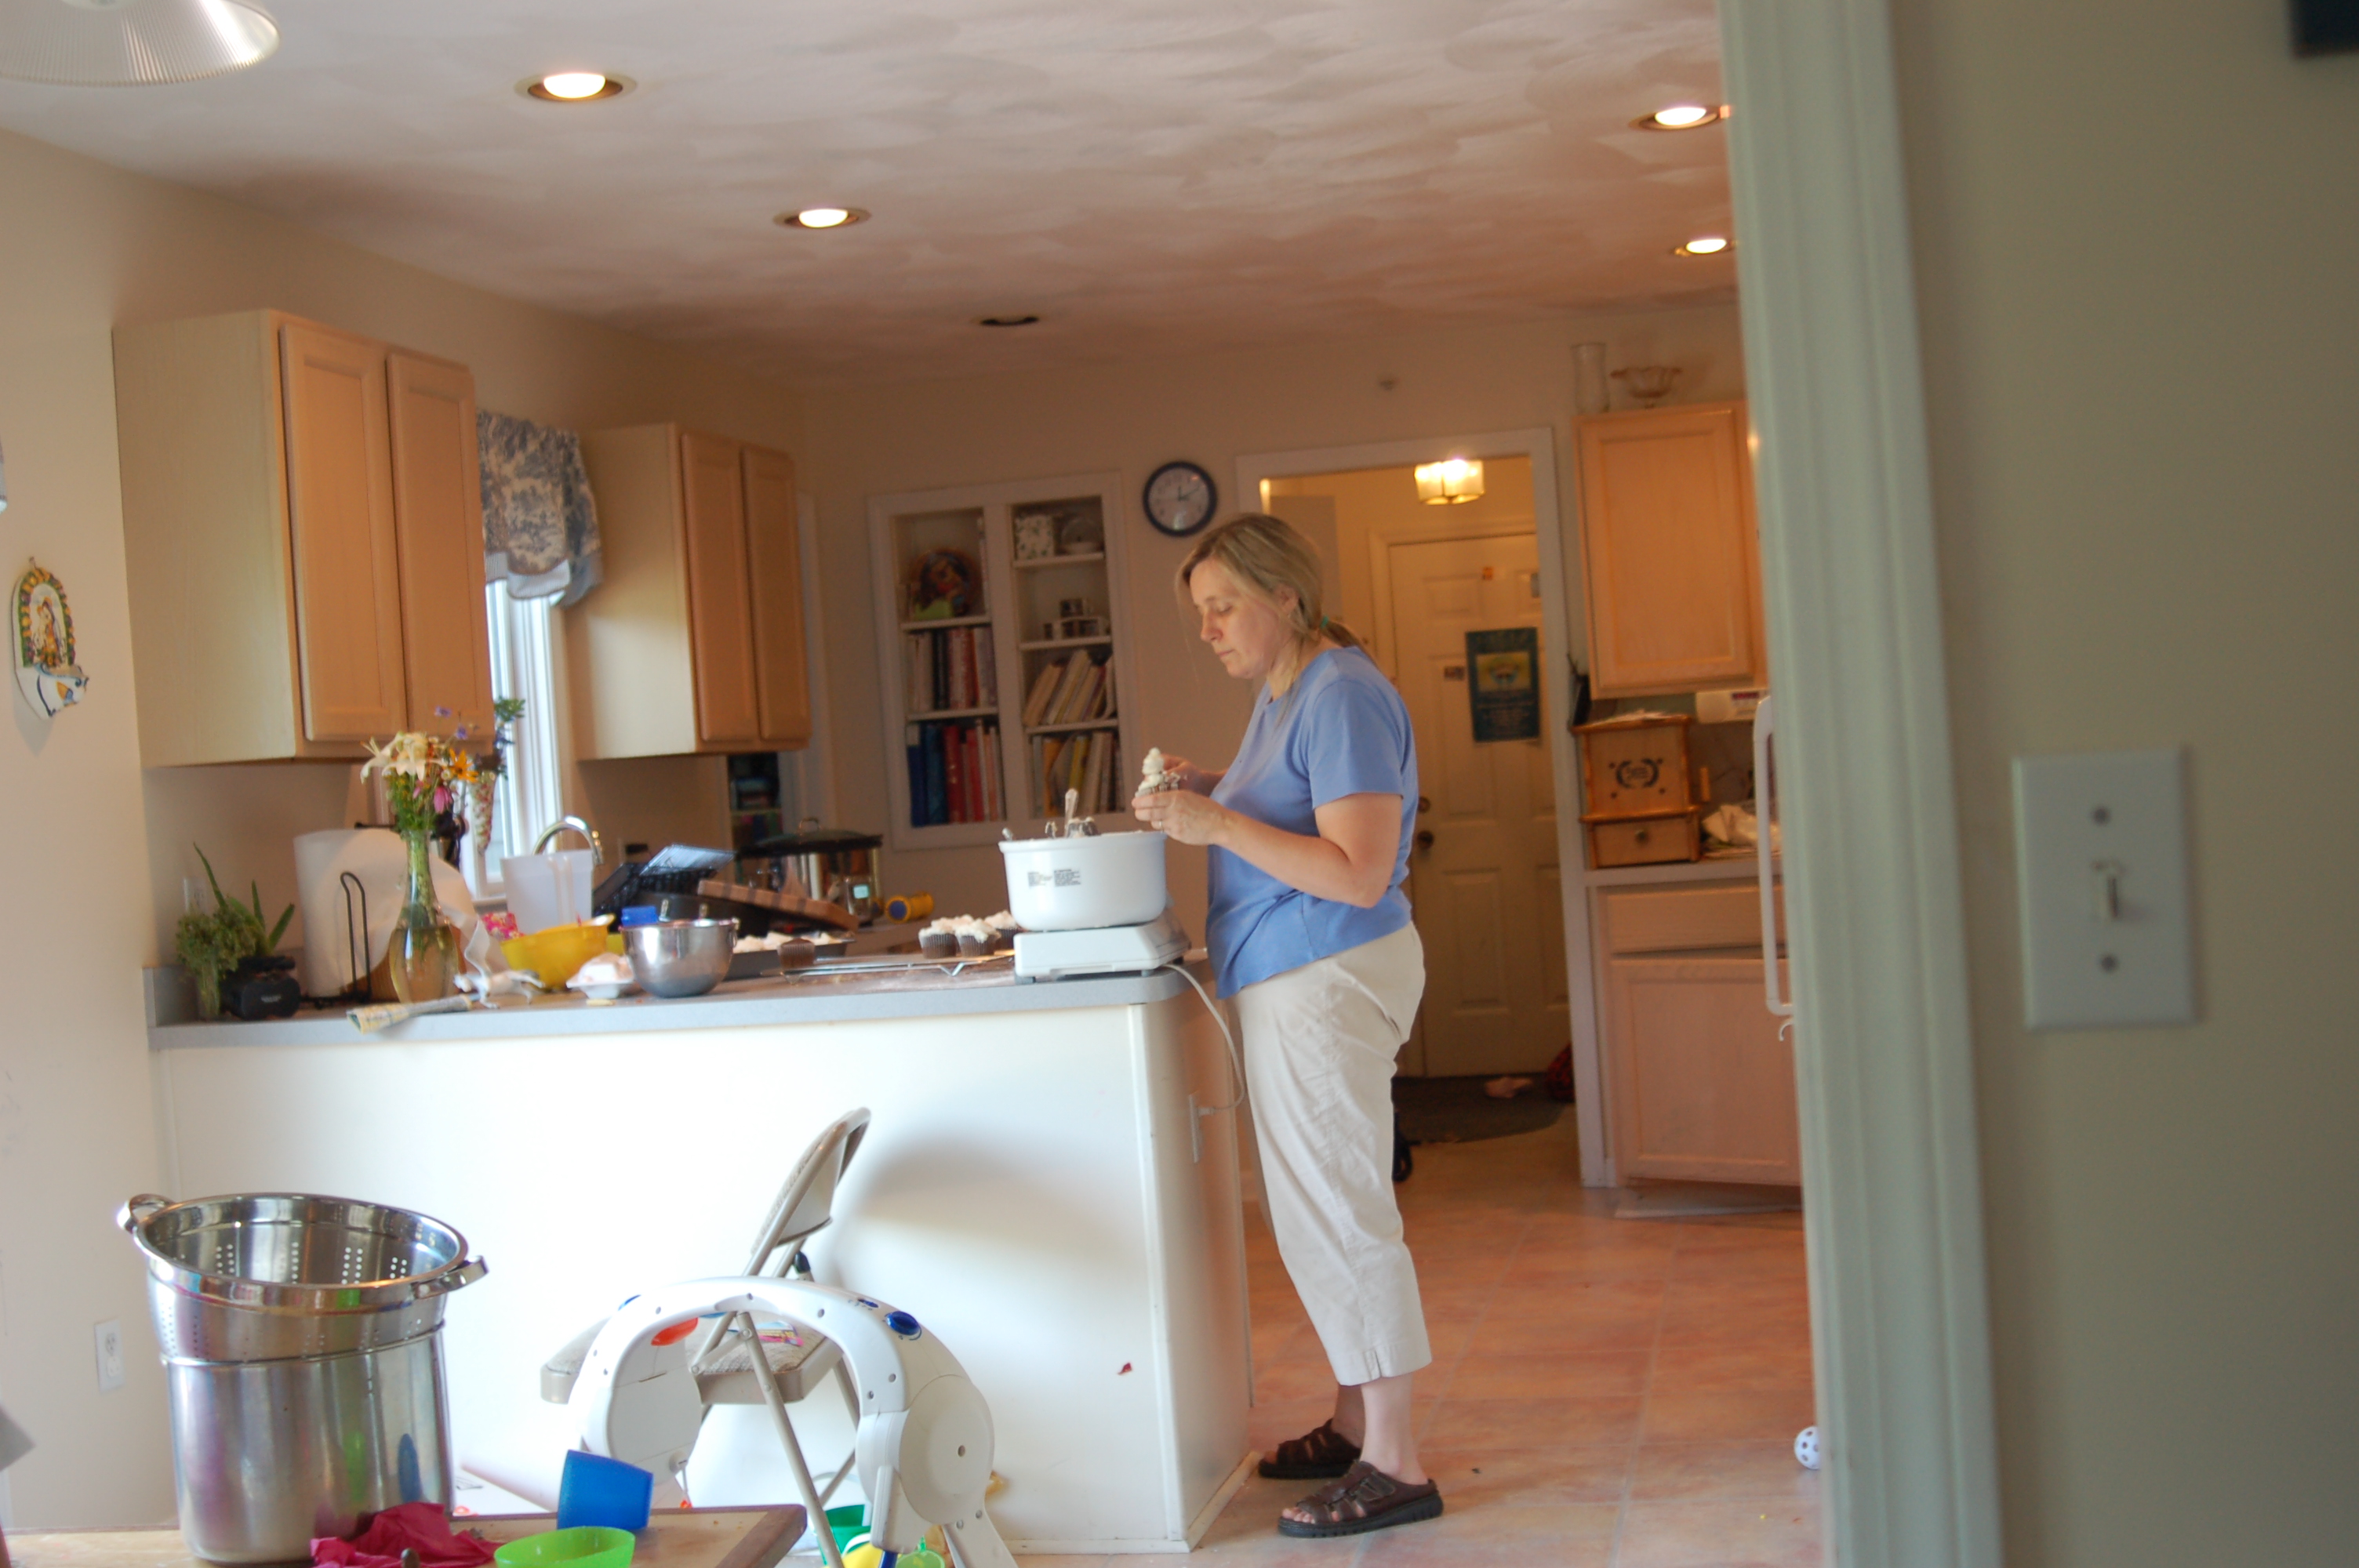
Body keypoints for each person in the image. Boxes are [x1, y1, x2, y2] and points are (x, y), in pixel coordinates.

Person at [1132, 514, 1440, 1539]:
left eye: (1224, 608)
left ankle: (1395, 1462)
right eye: (1202, 613)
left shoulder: (1340, 691)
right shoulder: (1289, 690)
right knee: (1317, 1208)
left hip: (1326, 971)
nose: (1209, 630)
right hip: (1297, 972)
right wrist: (1212, 787)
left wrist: (1216, 823)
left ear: (1285, 597)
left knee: (1341, 1210)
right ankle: (1358, 1425)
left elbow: (1357, 872)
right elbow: (1301, 808)